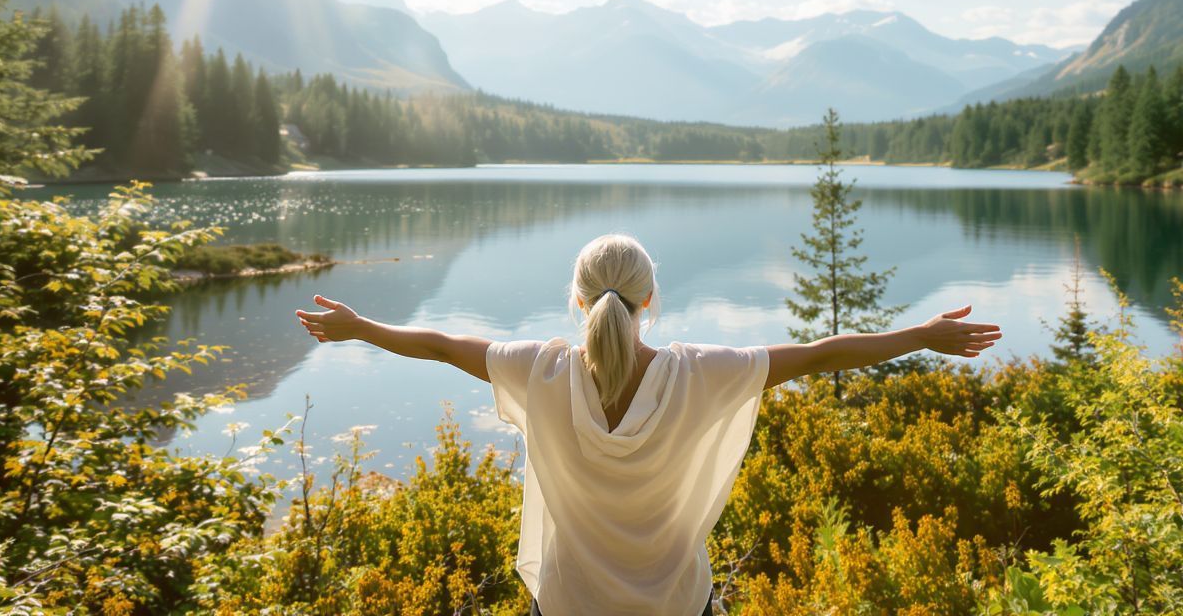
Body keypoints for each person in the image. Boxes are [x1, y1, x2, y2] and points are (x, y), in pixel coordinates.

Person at [295, 233, 1001, 615]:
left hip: (569, 605)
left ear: (577, 299)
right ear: (650, 300)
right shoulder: (700, 373)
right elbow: (821, 354)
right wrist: (919, 335)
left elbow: (444, 345)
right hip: (675, 606)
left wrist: (361, 329)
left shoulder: (537, 371)